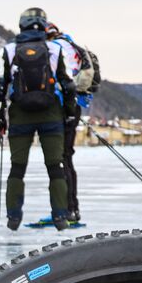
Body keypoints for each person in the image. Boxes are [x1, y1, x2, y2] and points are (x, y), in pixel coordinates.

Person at [0, 9, 80, 230]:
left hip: (20, 115)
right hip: (50, 114)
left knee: (17, 168)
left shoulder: (9, 50)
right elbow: (68, 84)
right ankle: (60, 216)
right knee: (55, 166)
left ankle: (13, 217)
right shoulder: (55, 48)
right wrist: (70, 112)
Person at [44, 22, 92, 226]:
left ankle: (65, 209)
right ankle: (72, 208)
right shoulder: (73, 47)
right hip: (75, 107)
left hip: (62, 107)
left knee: (59, 159)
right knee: (66, 158)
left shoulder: (56, 49)